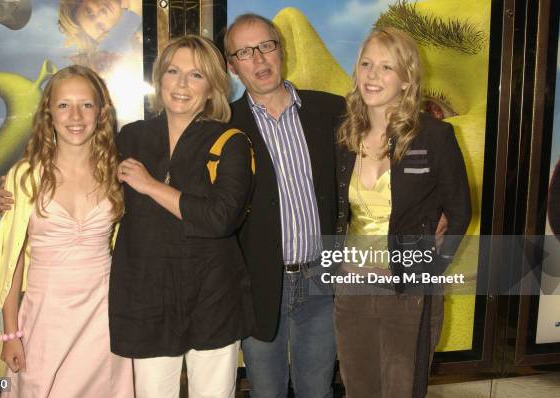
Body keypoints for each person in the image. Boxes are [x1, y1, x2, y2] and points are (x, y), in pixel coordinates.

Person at [108, 35, 254, 397]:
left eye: (196, 75)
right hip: (147, 296)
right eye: (173, 71)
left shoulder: (231, 141)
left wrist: (149, 185)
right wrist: (19, 189)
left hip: (212, 297)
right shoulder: (131, 137)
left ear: (213, 88)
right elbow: (87, 182)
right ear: (159, 79)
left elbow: (220, 218)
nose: (182, 84)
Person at [334, 28, 471, 398]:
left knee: (402, 389)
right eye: (366, 64)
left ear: (407, 78)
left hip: (408, 289)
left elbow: (459, 212)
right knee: (358, 387)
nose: (372, 75)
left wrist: (432, 268)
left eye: (386, 67)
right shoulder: (345, 137)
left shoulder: (434, 137)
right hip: (352, 288)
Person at [0, 65, 134, 397]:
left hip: (105, 317)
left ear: (101, 113)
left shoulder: (118, 173)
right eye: (63, 105)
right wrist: (10, 333)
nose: (75, 116)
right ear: (48, 113)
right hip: (45, 319)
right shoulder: (24, 176)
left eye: (86, 105)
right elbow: (11, 262)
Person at [224, 13, 343, 397]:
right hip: (259, 287)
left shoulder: (332, 111)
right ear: (232, 66)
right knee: (266, 391)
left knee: (317, 390)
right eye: (245, 52)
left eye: (266, 46)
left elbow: (382, 163)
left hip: (321, 281)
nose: (259, 59)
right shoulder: (224, 125)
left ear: (281, 49)